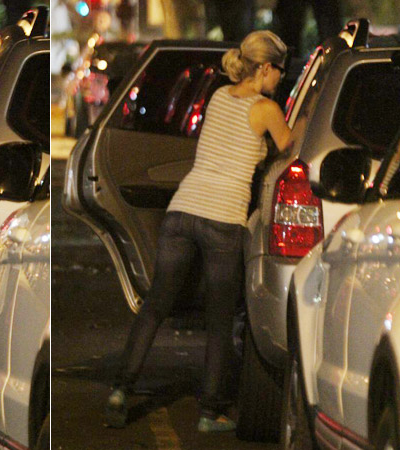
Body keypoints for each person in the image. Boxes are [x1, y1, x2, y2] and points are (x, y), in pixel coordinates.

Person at [104, 30, 291, 432]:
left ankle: (120, 390)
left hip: (182, 209)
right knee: (220, 320)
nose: (281, 78)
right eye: (280, 69)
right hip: (223, 218)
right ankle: (210, 412)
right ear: (264, 68)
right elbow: (290, 148)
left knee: (156, 304)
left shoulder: (219, 97)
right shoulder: (266, 109)